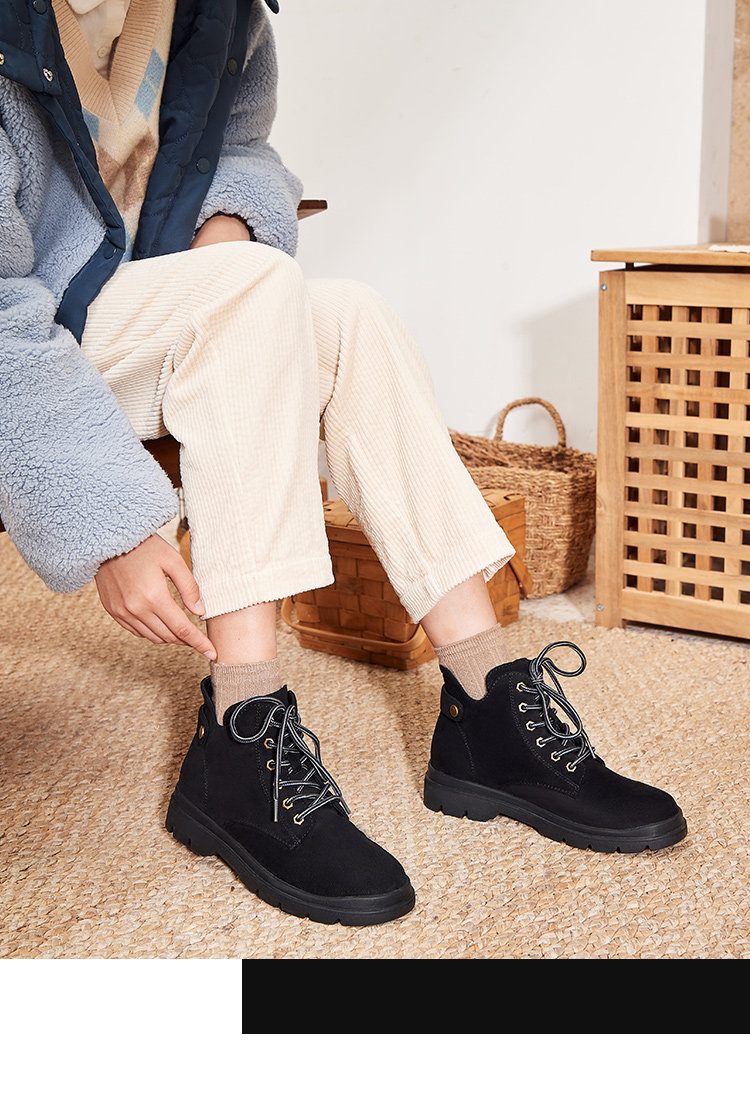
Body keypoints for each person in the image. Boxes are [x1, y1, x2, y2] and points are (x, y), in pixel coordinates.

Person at [0, 0, 688, 927]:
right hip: (35, 335)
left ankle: (486, 701)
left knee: (349, 314)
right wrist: (111, 523)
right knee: (253, 292)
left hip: (146, 300)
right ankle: (242, 734)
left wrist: (229, 233)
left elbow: (242, 149)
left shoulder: (221, 11)